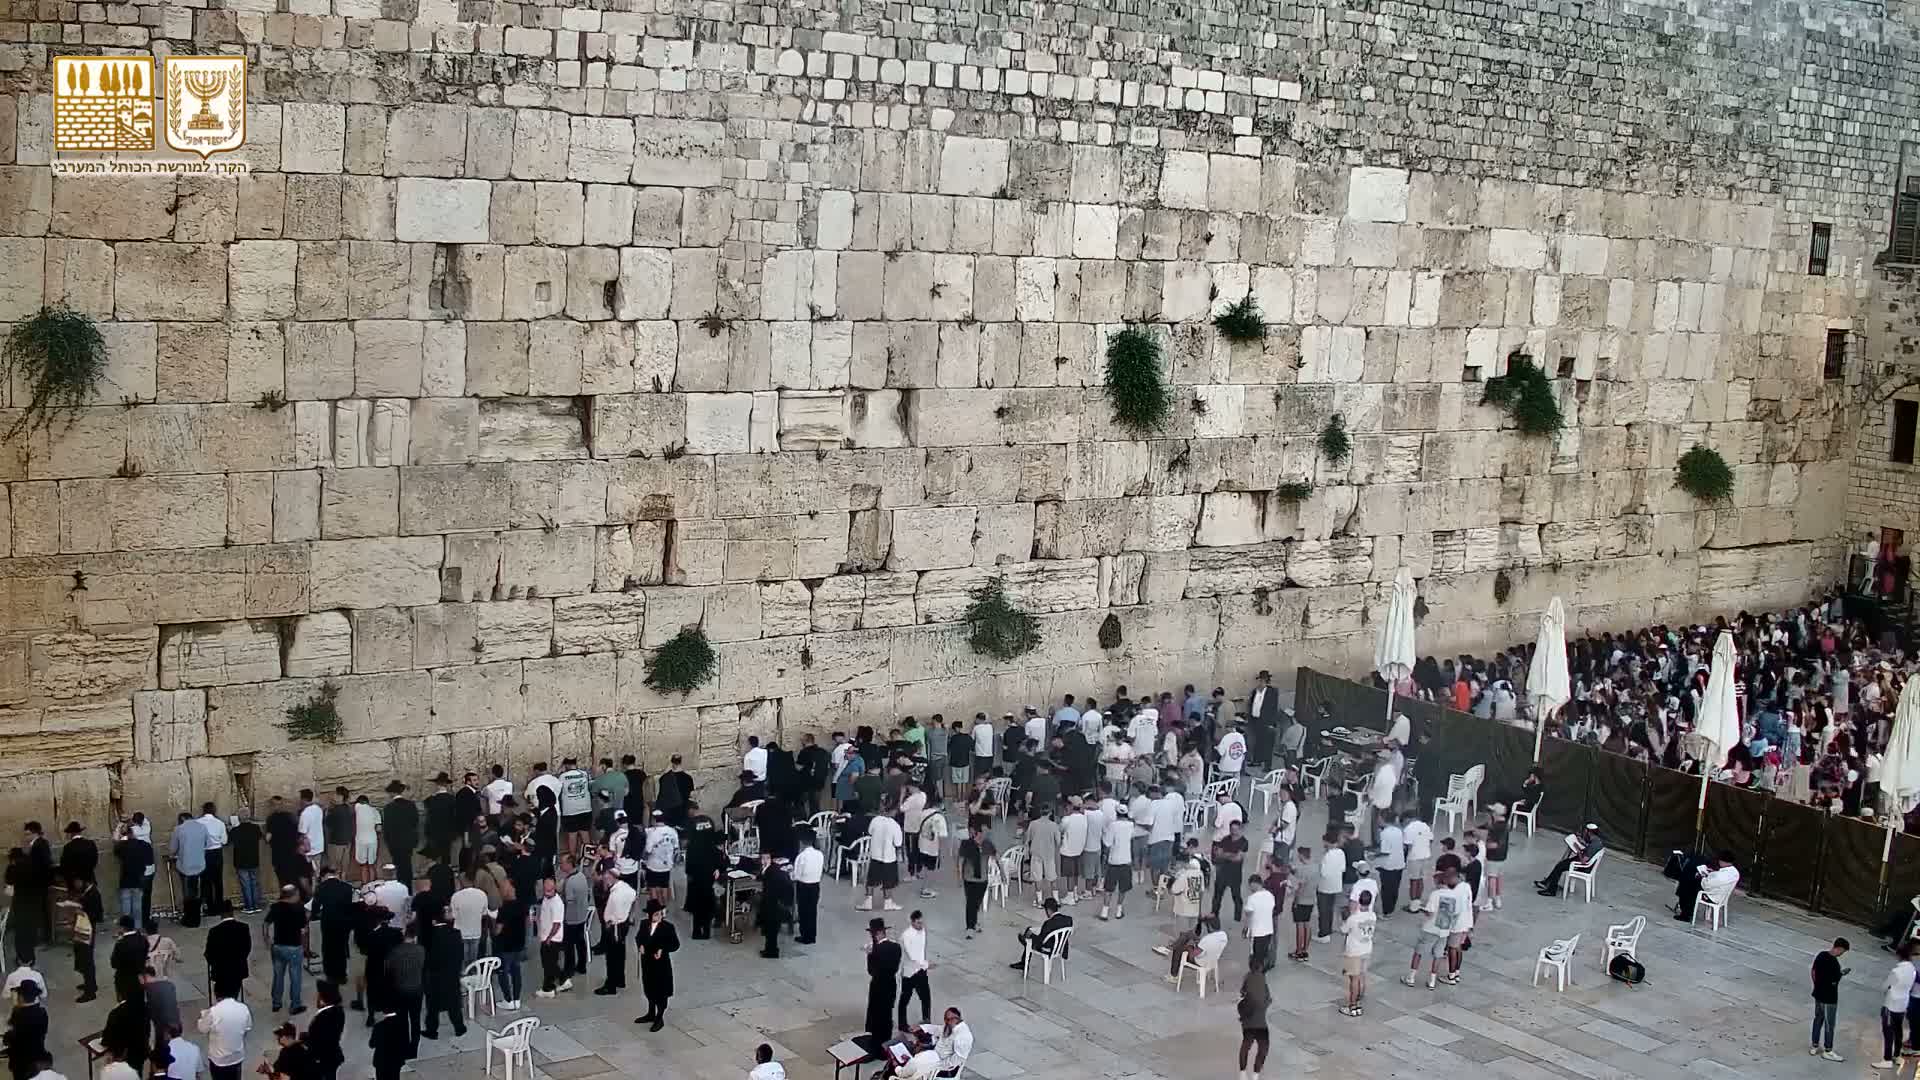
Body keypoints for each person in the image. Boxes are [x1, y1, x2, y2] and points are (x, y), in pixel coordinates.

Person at [419, 911, 465, 1041]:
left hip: (434, 975)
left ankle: (432, 1030)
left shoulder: (427, 936)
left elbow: (424, 957)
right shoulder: (456, 933)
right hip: (452, 974)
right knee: (454, 1003)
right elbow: (460, 954)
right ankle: (459, 1027)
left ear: (433, 921)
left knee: (432, 1005)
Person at [634, 898, 678, 1031]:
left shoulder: (668, 927)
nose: (659, 917)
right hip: (647, 963)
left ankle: (660, 1017)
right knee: (649, 988)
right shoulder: (643, 924)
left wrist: (662, 949)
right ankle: (650, 1012)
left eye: (660, 914)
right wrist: (640, 945)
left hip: (661, 965)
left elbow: (675, 944)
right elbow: (639, 937)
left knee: (661, 991)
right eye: (656, 914)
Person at [380, 925, 424, 1055]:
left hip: (400, 990)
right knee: (415, 1020)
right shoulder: (421, 950)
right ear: (415, 937)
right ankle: (414, 1048)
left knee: (403, 1021)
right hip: (416, 990)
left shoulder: (395, 952)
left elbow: (387, 971)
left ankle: (404, 1047)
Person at [861, 919, 902, 1054]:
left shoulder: (875, 951)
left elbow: (871, 971)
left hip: (878, 986)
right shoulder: (896, 947)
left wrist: (869, 955)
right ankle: (886, 1044)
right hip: (891, 985)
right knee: (887, 1014)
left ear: (876, 933)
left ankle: (876, 1046)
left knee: (876, 1015)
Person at [308, 868, 354, 991]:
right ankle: (341, 975)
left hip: (328, 922)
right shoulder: (347, 887)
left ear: (324, 876)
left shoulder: (321, 887)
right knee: (341, 947)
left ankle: (330, 975)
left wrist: (314, 915)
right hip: (344, 922)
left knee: (328, 947)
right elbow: (350, 906)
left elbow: (315, 906)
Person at [595, 864, 636, 995]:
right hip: (623, 925)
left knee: (611, 957)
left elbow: (615, 914)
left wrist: (609, 923)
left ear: (611, 876)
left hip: (615, 927)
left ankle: (611, 985)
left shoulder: (615, 895)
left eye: (605, 875)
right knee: (620, 953)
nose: (603, 878)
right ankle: (620, 979)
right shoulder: (626, 888)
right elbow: (634, 896)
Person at [62, 871, 103, 1003]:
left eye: (77, 881)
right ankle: (89, 983)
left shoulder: (93, 894)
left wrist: (81, 911)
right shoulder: (88, 892)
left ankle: (90, 991)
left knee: (87, 960)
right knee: (83, 958)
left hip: (88, 931)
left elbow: (97, 914)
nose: (76, 884)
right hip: (84, 930)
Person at [197, 983, 251, 1080]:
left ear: (216, 994)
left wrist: (203, 1016)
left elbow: (202, 1028)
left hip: (219, 1059)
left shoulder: (213, 1012)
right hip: (237, 1056)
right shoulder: (244, 1008)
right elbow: (247, 1028)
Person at [680, 822, 723, 941]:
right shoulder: (712, 848)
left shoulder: (692, 847)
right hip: (708, 882)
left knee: (697, 909)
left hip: (695, 882)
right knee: (707, 908)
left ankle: (696, 931)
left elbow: (688, 867)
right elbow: (720, 863)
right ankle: (707, 931)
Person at [860, 798, 904, 912]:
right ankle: (888, 902)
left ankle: (868, 902)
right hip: (889, 857)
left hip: (875, 855)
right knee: (888, 881)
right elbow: (898, 843)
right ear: (894, 811)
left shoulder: (875, 820)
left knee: (871, 879)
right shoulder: (895, 825)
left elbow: (870, 832)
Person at [1536, 824, 1605, 897]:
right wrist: (1582, 843)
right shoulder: (1597, 841)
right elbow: (1588, 849)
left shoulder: (1593, 845)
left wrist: (1578, 850)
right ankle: (1548, 882)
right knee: (1561, 864)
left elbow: (1584, 862)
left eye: (1585, 831)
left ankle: (1551, 890)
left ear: (1589, 832)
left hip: (1584, 867)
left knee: (1560, 866)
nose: (1584, 833)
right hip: (1587, 863)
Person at [490, 881, 527, 1011]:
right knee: (516, 971)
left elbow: (498, 930)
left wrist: (493, 924)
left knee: (503, 972)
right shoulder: (522, 905)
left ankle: (508, 999)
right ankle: (517, 999)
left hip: (505, 946)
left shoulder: (504, 908)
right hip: (518, 944)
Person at [1010, 896, 1072, 971]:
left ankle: (1024, 960)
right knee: (1029, 931)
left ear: (1048, 910)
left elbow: (1041, 941)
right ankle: (1024, 955)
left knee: (1028, 938)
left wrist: (1032, 935)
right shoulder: (1068, 919)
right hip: (1060, 946)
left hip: (1049, 947)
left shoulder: (1048, 923)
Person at [1340, 892, 1377, 1017]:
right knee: (1362, 976)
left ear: (1359, 901)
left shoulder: (1354, 918)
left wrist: (1348, 915)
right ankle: (1358, 1001)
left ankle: (1352, 1005)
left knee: (1354, 980)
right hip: (1367, 949)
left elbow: (1343, 930)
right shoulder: (1373, 915)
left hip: (1355, 951)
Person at [1880, 942, 1916, 1070]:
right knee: (1898, 1031)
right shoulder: (1912, 969)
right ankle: (1896, 1055)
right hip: (1903, 1004)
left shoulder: (1896, 971)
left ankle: (1887, 1059)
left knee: (1888, 1032)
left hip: (1891, 1004)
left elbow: (1885, 986)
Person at [1811, 937, 1848, 1061]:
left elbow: (1814, 971)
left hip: (1818, 994)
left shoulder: (1821, 955)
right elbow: (1835, 979)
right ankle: (1828, 1050)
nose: (1842, 954)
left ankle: (1814, 1045)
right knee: (1829, 1024)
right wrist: (1842, 973)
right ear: (1839, 948)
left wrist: (1816, 986)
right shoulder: (1834, 963)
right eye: (1843, 951)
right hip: (1829, 998)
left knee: (1818, 1019)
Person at [1675, 851, 1740, 921]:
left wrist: (1702, 876)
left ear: (1722, 861)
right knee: (1689, 879)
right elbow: (1718, 879)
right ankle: (1686, 908)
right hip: (1720, 894)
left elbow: (1706, 885)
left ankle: (1686, 914)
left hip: (1712, 896)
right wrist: (1712, 873)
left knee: (1688, 883)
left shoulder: (1722, 875)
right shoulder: (1734, 872)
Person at [3, 979, 48, 1080]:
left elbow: (13, 1039)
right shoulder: (42, 1013)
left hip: (22, 1061)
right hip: (39, 1054)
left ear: (21, 997)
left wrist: (6, 1037)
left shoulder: (19, 1016)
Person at [204, 909, 250, 1005]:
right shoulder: (243, 927)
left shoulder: (214, 931)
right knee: (234, 992)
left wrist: (213, 964)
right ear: (232, 913)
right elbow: (247, 948)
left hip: (220, 971)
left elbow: (209, 953)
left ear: (221, 915)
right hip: (237, 969)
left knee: (221, 995)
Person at [896, 910, 932, 1030]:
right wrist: (926, 964)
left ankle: (927, 1020)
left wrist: (924, 965)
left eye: (922, 922)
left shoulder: (923, 931)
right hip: (909, 972)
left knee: (926, 997)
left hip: (921, 971)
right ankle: (902, 1024)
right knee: (905, 997)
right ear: (912, 922)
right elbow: (911, 955)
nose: (921, 925)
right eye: (918, 923)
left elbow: (921, 951)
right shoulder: (906, 935)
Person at [379, 783, 417, 886]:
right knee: (407, 865)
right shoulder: (411, 805)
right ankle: (408, 889)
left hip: (395, 843)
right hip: (408, 842)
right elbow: (415, 823)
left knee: (399, 867)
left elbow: (386, 828)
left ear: (392, 793)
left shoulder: (388, 808)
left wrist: (388, 842)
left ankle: (400, 889)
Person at [1098, 804, 1132, 920]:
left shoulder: (1112, 825)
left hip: (1113, 861)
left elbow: (1107, 843)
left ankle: (1104, 912)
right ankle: (1118, 911)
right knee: (1123, 888)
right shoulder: (1131, 825)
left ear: (1116, 813)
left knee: (1109, 888)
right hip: (1126, 861)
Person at [303, 983, 344, 1080]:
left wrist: (306, 1039)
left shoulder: (321, 1018)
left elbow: (318, 1040)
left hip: (323, 1058)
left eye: (318, 995)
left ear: (323, 1000)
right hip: (334, 1054)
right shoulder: (339, 1011)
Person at [1211, 819, 1250, 922]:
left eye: (1236, 829)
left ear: (1240, 829)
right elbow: (1218, 854)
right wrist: (1231, 855)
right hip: (1222, 873)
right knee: (1217, 896)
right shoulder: (1225, 839)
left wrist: (1225, 854)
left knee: (1236, 896)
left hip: (1235, 874)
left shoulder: (1244, 842)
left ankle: (1237, 917)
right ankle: (1214, 915)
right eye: (1232, 829)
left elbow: (1238, 858)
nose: (1233, 832)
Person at [1236, 967, 1270, 1080]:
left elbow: (1242, 994)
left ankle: (1243, 1072)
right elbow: (1268, 1000)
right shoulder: (1261, 982)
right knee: (1263, 1047)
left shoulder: (1249, 979)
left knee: (1246, 1045)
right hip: (1259, 1024)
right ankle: (1255, 1074)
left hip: (1249, 1025)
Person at [791, 832, 824, 945]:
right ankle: (812, 935)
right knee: (812, 911)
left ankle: (805, 935)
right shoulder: (820, 854)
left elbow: (797, 875)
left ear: (801, 843)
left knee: (803, 911)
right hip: (815, 885)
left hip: (804, 886)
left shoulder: (801, 856)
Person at [755, 853, 790, 960]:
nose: (763, 861)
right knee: (771, 929)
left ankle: (771, 952)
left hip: (773, 903)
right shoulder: (772, 868)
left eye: (766, 858)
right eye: (762, 858)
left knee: (771, 928)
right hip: (775, 902)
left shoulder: (771, 871)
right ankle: (771, 949)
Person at [108, 915, 149, 1004]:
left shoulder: (120, 944)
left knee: (125, 1005)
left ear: (122, 928)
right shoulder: (142, 939)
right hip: (140, 977)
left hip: (124, 979)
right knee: (139, 1002)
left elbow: (114, 964)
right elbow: (145, 955)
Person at [367, 1006, 410, 1080]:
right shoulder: (403, 1025)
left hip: (382, 1060)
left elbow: (371, 1044)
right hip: (396, 1060)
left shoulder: (379, 1026)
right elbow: (406, 1042)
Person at [1244, 874, 1276, 972]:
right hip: (1268, 931)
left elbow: (1249, 915)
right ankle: (1261, 974)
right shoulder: (1270, 895)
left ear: (1254, 884)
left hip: (1257, 932)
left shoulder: (1252, 898)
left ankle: (1255, 977)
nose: (1250, 889)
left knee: (1255, 957)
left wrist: (1246, 929)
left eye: (1250, 886)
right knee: (1263, 955)